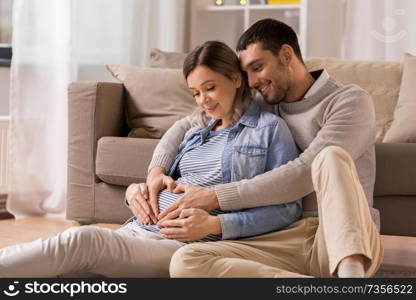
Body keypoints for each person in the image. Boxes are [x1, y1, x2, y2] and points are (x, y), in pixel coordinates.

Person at [0, 41, 302, 277]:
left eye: (210, 88)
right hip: (139, 229)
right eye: (196, 93)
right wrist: (137, 193)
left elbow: (287, 209)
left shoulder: (269, 130)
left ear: (236, 79)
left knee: (82, 241)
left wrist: (215, 224)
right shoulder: (197, 130)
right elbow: (162, 176)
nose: (203, 100)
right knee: (65, 272)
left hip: (188, 246)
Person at [136, 19, 383, 278]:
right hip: (281, 238)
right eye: (247, 73)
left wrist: (216, 196)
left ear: (286, 55)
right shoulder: (265, 102)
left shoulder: (349, 101)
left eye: (258, 67)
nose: (252, 81)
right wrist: (156, 171)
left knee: (330, 156)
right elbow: (185, 124)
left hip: (340, 237)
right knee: (186, 262)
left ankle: (352, 277)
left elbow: (304, 173)